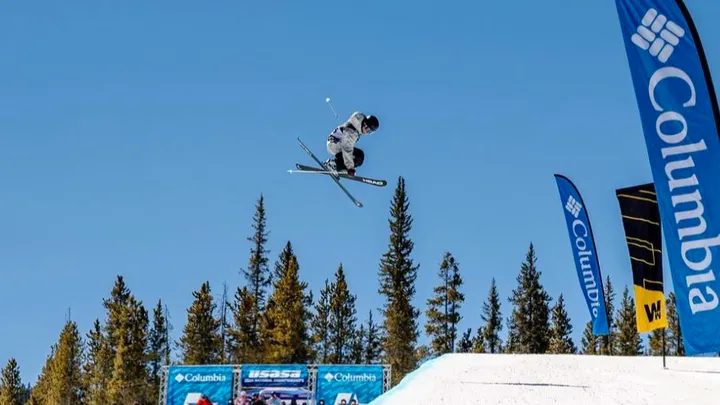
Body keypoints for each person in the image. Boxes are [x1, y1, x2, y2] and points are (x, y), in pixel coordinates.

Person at [325, 111, 380, 176]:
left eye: (369, 131)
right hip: (335, 144)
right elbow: (347, 149)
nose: (366, 131)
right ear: (363, 122)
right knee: (359, 156)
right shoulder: (352, 132)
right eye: (365, 127)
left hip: (335, 143)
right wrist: (350, 168)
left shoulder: (355, 126)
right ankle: (333, 164)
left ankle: (338, 166)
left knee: (357, 156)